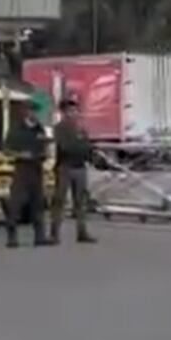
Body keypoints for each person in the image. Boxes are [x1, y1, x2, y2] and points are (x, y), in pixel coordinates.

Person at [50, 96, 98, 245]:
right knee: (60, 200)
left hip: (80, 167)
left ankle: (82, 232)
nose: (73, 113)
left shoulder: (82, 128)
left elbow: (88, 146)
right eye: (70, 110)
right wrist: (81, 146)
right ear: (64, 112)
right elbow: (65, 147)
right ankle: (54, 233)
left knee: (81, 202)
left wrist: (90, 156)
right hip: (65, 167)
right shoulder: (59, 128)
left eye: (75, 110)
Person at [3, 101, 51, 249]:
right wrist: (20, 154)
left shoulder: (39, 129)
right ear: (26, 112)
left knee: (38, 203)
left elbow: (44, 147)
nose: (35, 114)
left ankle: (40, 236)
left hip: (36, 168)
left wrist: (45, 153)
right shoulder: (16, 129)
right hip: (21, 169)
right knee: (15, 203)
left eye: (36, 112)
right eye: (32, 111)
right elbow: (6, 150)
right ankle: (12, 236)